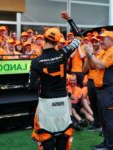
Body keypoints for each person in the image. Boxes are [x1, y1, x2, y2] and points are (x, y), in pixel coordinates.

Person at [29, 11, 82, 150]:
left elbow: (32, 87)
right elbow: (79, 37)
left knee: (46, 138)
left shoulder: (36, 61)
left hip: (46, 103)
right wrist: (69, 19)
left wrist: (41, 79)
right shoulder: (63, 53)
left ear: (43, 40)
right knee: (63, 136)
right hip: (63, 102)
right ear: (58, 41)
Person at [84, 31, 113, 150]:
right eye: (100, 39)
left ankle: (112, 146)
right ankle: (107, 143)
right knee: (104, 120)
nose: (100, 41)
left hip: (110, 90)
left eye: (103, 39)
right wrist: (89, 55)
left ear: (112, 40)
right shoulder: (106, 51)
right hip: (103, 90)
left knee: (110, 120)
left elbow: (100, 65)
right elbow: (92, 66)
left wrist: (90, 54)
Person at [83, 35, 104, 131]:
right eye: (93, 42)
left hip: (100, 81)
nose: (95, 44)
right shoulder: (90, 54)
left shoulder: (104, 52)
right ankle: (97, 123)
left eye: (97, 42)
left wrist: (92, 56)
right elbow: (84, 70)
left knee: (101, 104)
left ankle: (103, 125)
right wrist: (88, 56)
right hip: (91, 80)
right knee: (93, 103)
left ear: (100, 42)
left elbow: (98, 66)